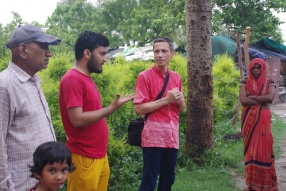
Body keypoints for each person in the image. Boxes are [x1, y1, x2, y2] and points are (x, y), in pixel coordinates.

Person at [59, 31, 134, 191]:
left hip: (98, 156)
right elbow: (77, 119)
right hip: (83, 158)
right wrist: (111, 109)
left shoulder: (86, 78)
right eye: (101, 54)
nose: (105, 59)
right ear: (87, 53)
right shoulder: (73, 79)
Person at [0, 24, 61, 191]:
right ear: (23, 50)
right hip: (21, 186)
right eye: (43, 47)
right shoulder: (5, 85)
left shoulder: (33, 81)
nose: (49, 53)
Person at [133, 37, 185, 191]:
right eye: (156, 51)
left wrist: (180, 101)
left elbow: (181, 109)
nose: (160, 55)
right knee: (149, 181)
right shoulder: (145, 76)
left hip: (172, 137)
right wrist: (166, 99)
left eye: (164, 51)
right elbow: (139, 108)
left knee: (167, 181)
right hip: (153, 137)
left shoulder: (176, 78)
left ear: (172, 54)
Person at [239, 58, 278, 191]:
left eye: (258, 68)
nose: (256, 70)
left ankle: (266, 185)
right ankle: (251, 185)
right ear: (250, 69)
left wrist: (253, 97)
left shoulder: (269, 82)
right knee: (251, 151)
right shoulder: (245, 82)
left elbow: (270, 98)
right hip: (249, 119)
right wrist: (260, 100)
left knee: (264, 149)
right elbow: (243, 100)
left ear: (262, 68)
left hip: (263, 120)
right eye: (253, 68)